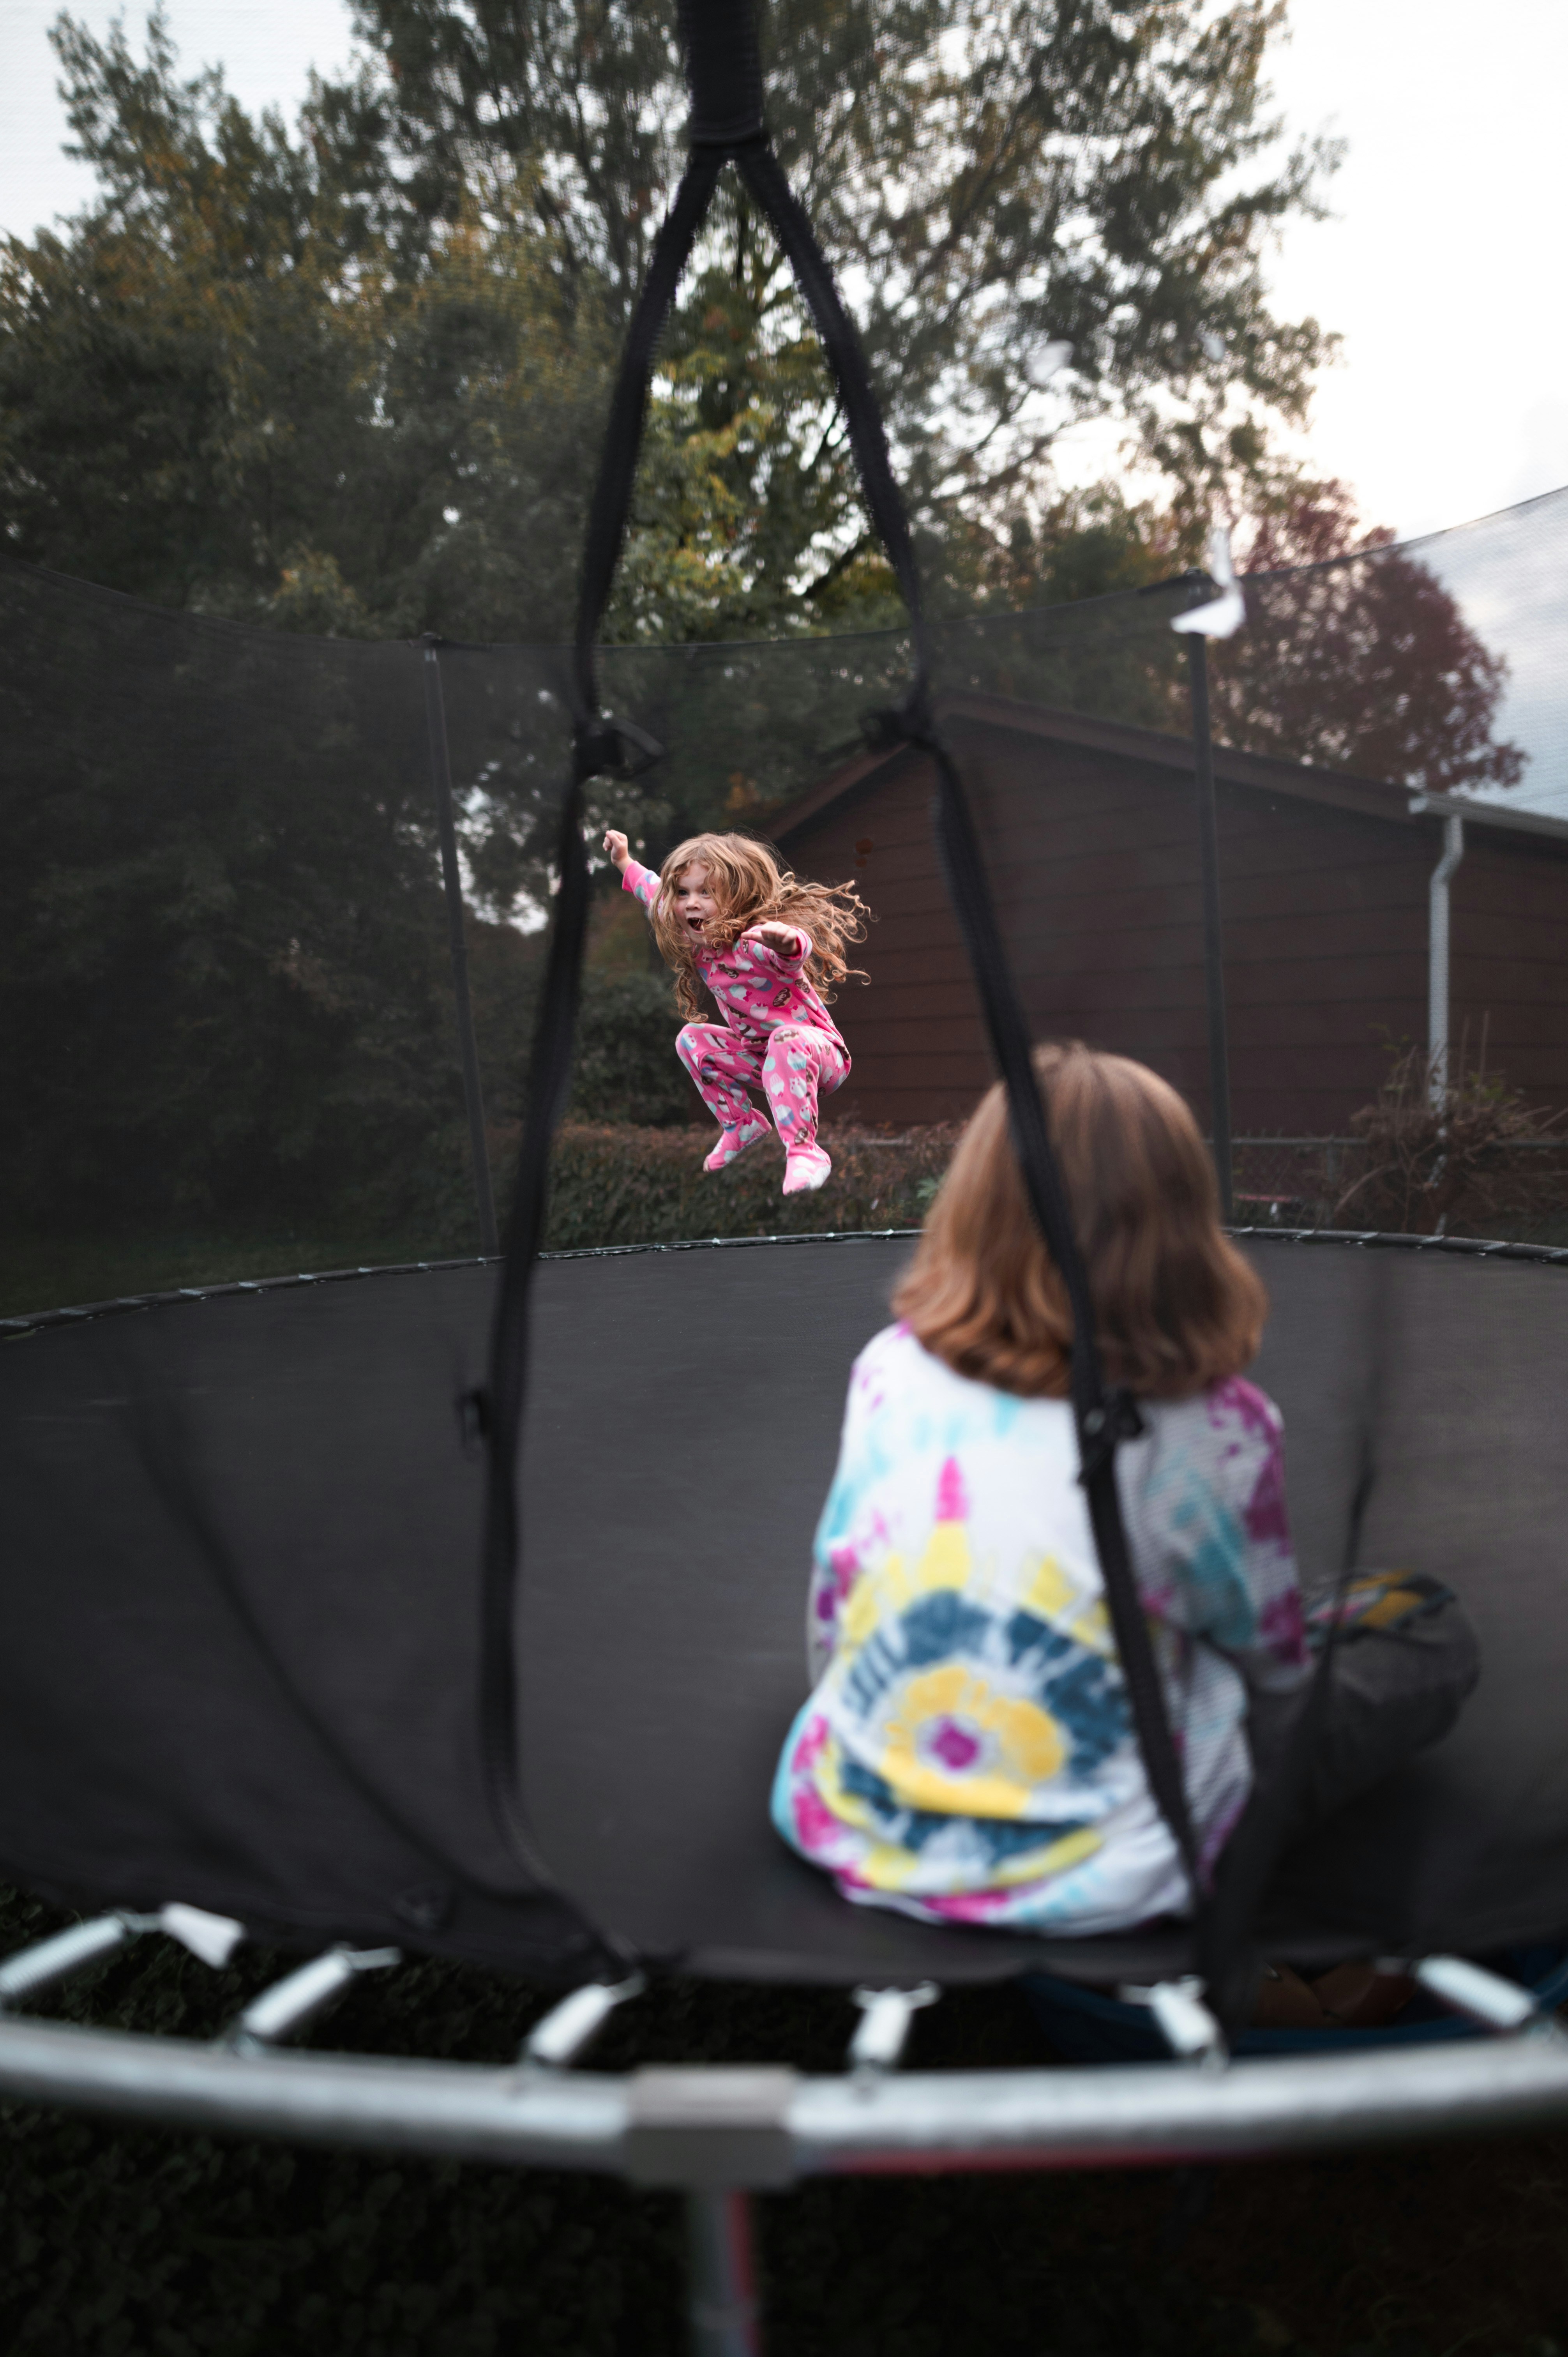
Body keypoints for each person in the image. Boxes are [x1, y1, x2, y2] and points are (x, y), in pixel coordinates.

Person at [772, 1042, 1478, 1950]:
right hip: (1111, 1865)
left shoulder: (890, 1369)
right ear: (1178, 1223)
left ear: (971, 1209)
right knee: (1431, 1638)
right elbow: (1270, 1677)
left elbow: (834, 1601)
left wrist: (862, 1730)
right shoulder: (1213, 1427)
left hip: (856, 1821)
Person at [602, 827, 868, 1195]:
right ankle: (741, 1124)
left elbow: (792, 955)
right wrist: (624, 861)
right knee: (692, 1039)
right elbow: (652, 890)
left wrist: (789, 942)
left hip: (820, 1056)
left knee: (785, 1038)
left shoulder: (754, 942)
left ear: (737, 897)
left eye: (706, 893)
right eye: (684, 893)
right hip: (764, 1061)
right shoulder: (698, 944)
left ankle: (807, 1152)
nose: (691, 903)